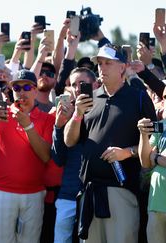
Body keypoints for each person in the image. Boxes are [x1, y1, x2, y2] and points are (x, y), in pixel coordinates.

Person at [64, 44, 156, 243]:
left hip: (122, 192)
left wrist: (127, 152)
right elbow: (69, 141)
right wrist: (77, 114)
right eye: (100, 63)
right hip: (89, 191)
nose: (102, 68)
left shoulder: (139, 98)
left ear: (122, 67)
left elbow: (154, 144)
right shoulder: (90, 98)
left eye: (108, 63)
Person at [0, 69, 55, 243]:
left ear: (35, 90)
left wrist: (28, 126)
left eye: (27, 87)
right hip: (0, 191)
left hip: (34, 193)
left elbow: (46, 156)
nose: (22, 91)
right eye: (17, 88)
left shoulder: (47, 119)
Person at [51, 67, 99, 243]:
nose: (78, 88)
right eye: (73, 85)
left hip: (94, 194)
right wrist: (58, 126)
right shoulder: (67, 115)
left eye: (82, 83)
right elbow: (58, 158)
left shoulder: (103, 111)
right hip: (68, 194)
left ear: (95, 84)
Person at [137, 98, 166, 243]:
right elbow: (145, 162)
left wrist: (156, 158)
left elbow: (153, 158)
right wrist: (143, 134)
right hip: (156, 203)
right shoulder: (161, 125)